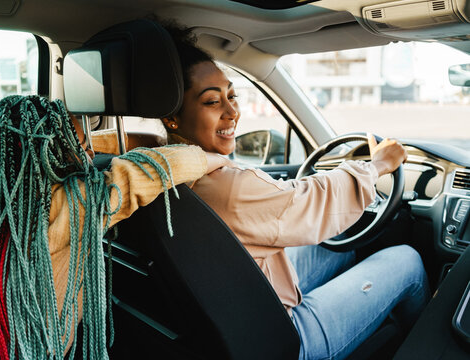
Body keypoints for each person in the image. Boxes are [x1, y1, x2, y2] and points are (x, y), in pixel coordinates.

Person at [159, 23, 430, 360]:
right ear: (172, 119)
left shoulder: (156, 168)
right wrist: (376, 166)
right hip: (280, 341)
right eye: (213, 101)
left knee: (337, 248)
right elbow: (311, 201)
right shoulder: (228, 186)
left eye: (232, 95)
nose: (232, 112)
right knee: (406, 260)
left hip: (227, 313)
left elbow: (298, 204)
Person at [0, 95, 227, 359]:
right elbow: (144, 173)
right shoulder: (67, 206)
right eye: (83, 147)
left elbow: (143, 144)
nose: (89, 156)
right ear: (49, 152)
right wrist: (215, 157)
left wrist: (79, 138)